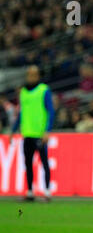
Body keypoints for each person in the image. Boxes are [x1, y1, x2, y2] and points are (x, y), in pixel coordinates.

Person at [9, 65, 55, 201]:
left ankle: (47, 191)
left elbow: (51, 111)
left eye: (34, 74)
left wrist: (48, 130)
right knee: (28, 163)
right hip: (27, 133)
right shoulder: (23, 92)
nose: (31, 77)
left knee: (44, 162)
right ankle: (30, 191)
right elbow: (22, 113)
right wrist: (13, 131)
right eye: (29, 74)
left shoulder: (44, 90)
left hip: (40, 134)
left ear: (38, 76)